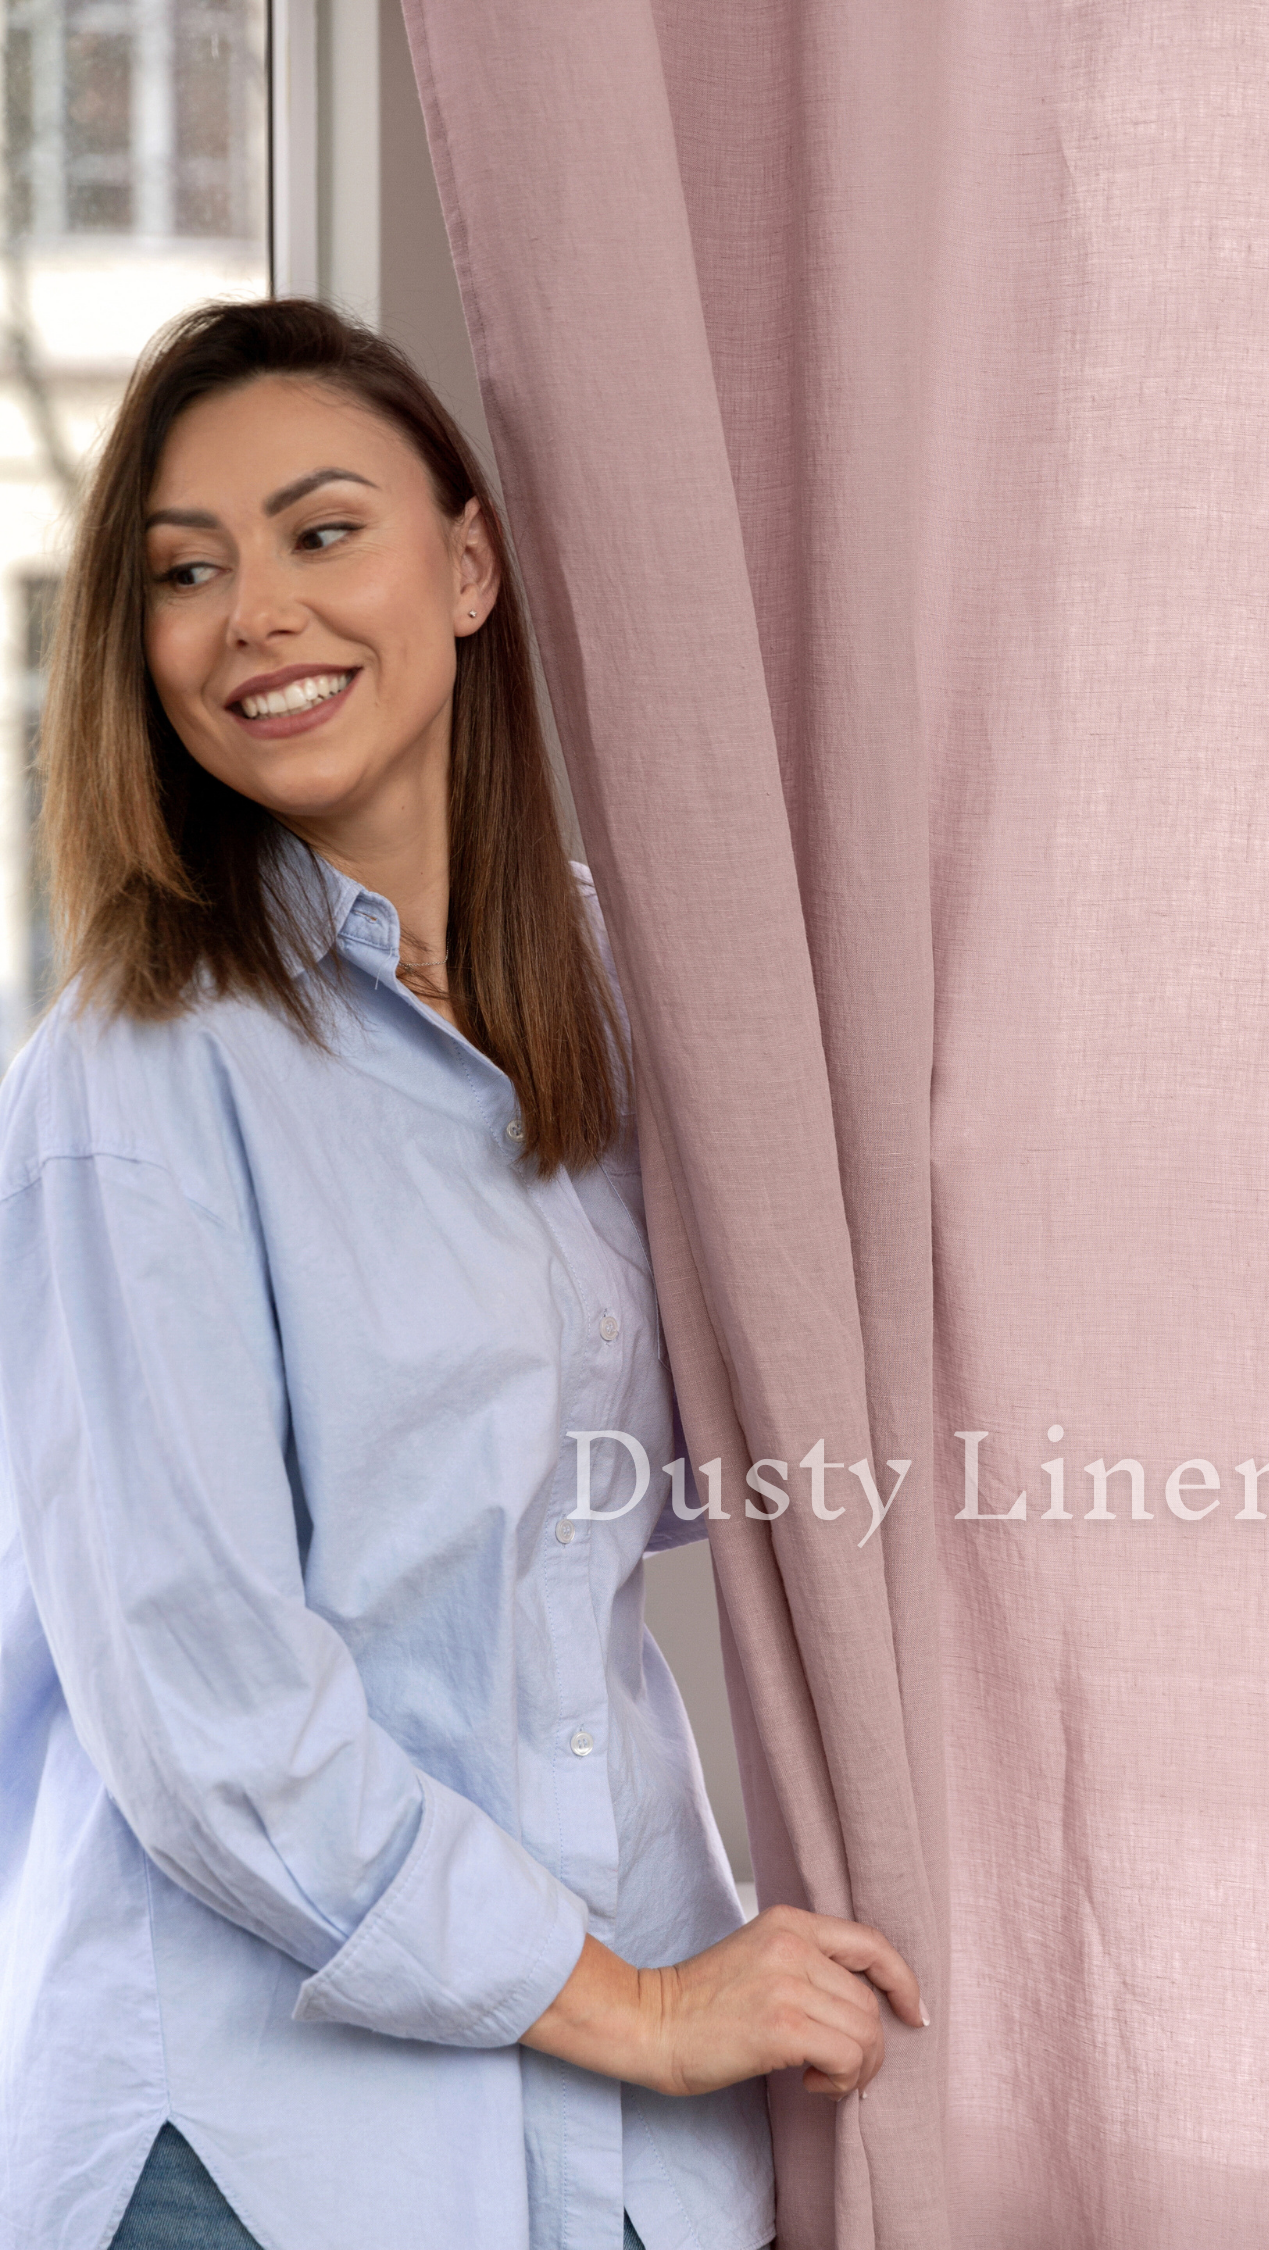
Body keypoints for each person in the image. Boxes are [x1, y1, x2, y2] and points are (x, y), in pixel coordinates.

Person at [0, 298, 924, 2250]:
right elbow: (209, 1706)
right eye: (184, 570)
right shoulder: (135, 1076)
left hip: (630, 2154)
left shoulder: (625, 1003)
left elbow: (679, 1468)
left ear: (470, 564)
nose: (255, 613)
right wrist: (642, 2011)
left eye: (321, 531)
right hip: (262, 2157)